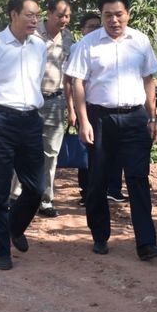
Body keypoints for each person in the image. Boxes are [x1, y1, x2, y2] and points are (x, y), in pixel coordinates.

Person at [66, 0, 157, 261]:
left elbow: (148, 80)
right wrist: (83, 120)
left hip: (135, 119)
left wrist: (152, 117)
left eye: (119, 14)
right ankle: (100, 236)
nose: (114, 20)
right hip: (100, 119)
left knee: (138, 179)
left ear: (128, 14)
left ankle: (146, 243)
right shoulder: (88, 44)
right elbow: (77, 82)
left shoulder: (140, 41)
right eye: (107, 15)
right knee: (97, 179)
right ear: (101, 16)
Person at [0, 0, 47, 270]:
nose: (35, 20)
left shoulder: (39, 46)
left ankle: (14, 227)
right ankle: (1, 252)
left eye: (37, 15)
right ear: (13, 15)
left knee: (36, 188)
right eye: (29, 14)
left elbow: (37, 81)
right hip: (1, 122)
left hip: (31, 121)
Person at [11, 0, 73, 218]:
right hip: (30, 100)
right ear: (49, 13)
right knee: (24, 149)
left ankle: (45, 200)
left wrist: (71, 107)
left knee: (51, 153)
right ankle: (16, 195)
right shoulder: (32, 33)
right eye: (60, 15)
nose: (64, 20)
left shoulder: (69, 38)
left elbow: (69, 75)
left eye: (67, 16)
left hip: (56, 101)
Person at [64, 12, 101, 206]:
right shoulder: (77, 48)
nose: (95, 30)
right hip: (84, 109)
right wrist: (72, 110)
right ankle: (86, 192)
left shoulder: (105, 47)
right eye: (90, 26)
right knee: (86, 151)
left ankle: (103, 191)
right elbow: (69, 82)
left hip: (101, 109)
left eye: (97, 26)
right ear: (82, 30)